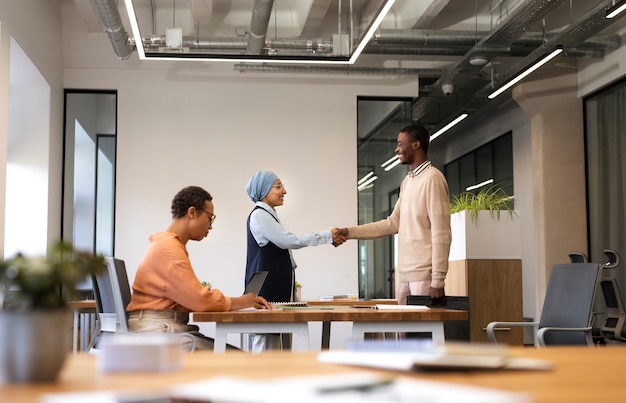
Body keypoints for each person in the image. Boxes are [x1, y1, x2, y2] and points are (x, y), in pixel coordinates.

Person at [127, 186, 272, 351]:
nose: (210, 226)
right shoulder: (168, 248)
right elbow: (200, 300)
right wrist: (244, 301)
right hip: (159, 332)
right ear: (192, 213)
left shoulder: (167, 245)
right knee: (242, 362)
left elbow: (192, 298)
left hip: (163, 328)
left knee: (237, 357)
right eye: (210, 218)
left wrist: (237, 301)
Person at [334, 124, 451, 306]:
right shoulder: (408, 181)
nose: (396, 149)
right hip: (404, 275)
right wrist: (348, 232)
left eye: (400, 143)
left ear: (416, 144)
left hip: (423, 277)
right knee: (403, 334)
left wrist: (438, 281)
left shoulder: (433, 179)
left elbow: (441, 233)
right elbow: (392, 223)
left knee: (423, 334)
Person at [245, 170, 343, 351]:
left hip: (269, 287)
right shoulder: (260, 215)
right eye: (278, 186)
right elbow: (289, 241)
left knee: (273, 343)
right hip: (265, 290)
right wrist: (327, 235)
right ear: (264, 190)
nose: (284, 191)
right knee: (266, 346)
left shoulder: (268, 215)